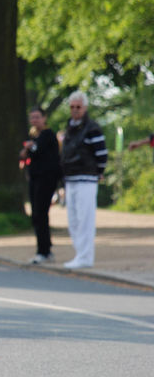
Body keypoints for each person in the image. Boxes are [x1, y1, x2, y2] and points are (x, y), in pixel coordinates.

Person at [60, 91, 108, 269]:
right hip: (71, 178)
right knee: (73, 219)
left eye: (78, 107)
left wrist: (99, 171)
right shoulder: (69, 128)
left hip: (86, 178)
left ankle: (85, 257)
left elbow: (102, 153)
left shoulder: (92, 128)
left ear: (85, 108)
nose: (75, 110)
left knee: (85, 219)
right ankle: (79, 254)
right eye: (72, 107)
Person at [19, 106, 61, 263]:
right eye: (32, 117)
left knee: (40, 213)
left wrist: (30, 148)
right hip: (35, 178)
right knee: (37, 214)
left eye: (37, 117)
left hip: (46, 179)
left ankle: (43, 251)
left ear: (44, 118)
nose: (35, 120)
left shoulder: (48, 135)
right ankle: (45, 248)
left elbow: (39, 151)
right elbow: (26, 154)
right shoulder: (33, 136)